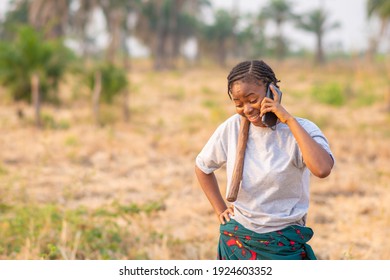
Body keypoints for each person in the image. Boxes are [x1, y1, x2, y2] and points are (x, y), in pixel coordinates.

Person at [195, 60, 334, 260]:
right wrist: (220, 210)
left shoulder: (302, 130)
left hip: (284, 243)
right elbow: (202, 168)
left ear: (272, 91)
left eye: (253, 99)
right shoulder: (231, 128)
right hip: (239, 239)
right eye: (238, 103)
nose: (247, 109)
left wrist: (288, 119)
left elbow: (322, 169)